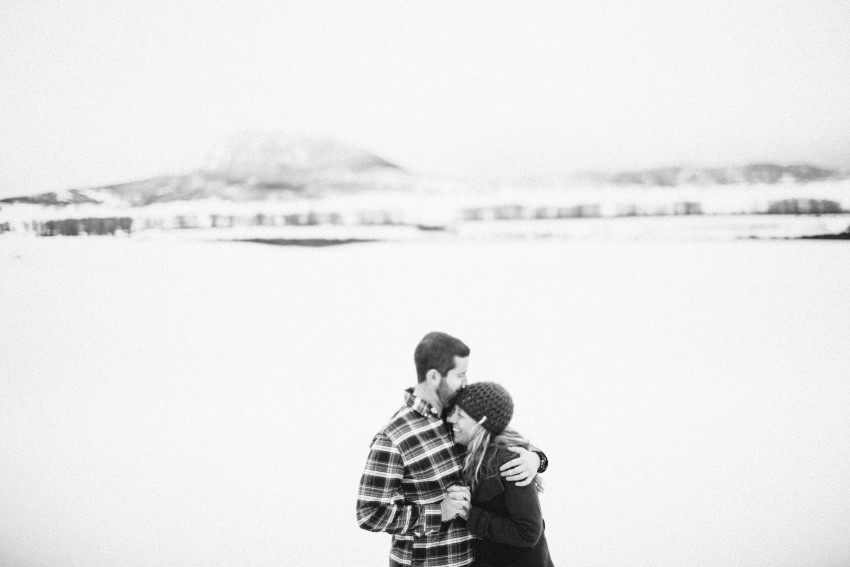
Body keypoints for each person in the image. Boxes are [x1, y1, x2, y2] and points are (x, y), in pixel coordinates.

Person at [357, 332, 548, 567]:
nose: (465, 382)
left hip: (472, 560)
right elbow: (368, 513)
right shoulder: (394, 437)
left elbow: (501, 437)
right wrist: (439, 512)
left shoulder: (457, 416)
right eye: (459, 375)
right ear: (435, 376)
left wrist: (536, 459)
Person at [448, 381, 554, 567]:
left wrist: (471, 515)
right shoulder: (469, 447)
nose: (451, 419)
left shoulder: (509, 461)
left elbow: (527, 532)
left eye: (461, 415)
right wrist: (538, 458)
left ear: (481, 422)